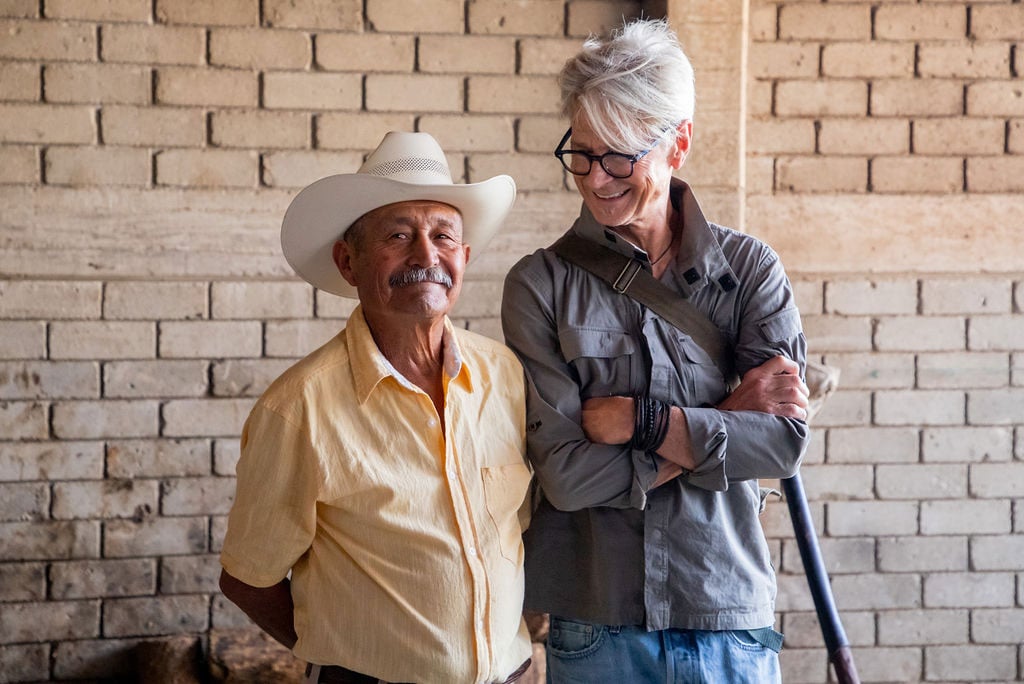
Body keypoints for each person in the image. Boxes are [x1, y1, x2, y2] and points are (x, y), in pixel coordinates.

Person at [500, 19, 811, 683]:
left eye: (620, 156)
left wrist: (643, 424)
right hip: (598, 629)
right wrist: (726, 415)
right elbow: (567, 476)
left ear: (680, 144)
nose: (595, 177)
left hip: (728, 616)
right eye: (581, 153)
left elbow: (782, 444)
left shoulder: (750, 271)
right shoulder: (540, 285)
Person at [220, 131, 534, 684]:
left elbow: (523, 533)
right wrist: (345, 652)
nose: (426, 256)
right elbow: (249, 577)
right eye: (398, 235)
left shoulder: (505, 375)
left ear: (463, 257)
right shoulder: (298, 409)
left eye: (443, 235)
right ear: (349, 261)